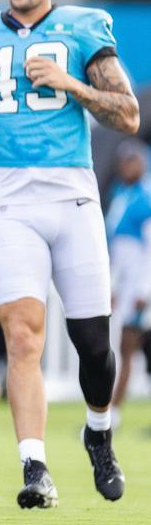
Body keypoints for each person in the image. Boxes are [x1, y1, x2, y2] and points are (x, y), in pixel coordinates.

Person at [0, 0, 136, 508]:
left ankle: (98, 431)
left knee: (93, 343)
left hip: (72, 197)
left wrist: (71, 84)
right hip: (6, 199)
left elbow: (128, 114)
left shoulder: (84, 27)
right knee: (24, 336)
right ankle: (35, 468)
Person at [107, 141, 151, 417]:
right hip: (125, 281)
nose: (126, 166)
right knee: (134, 347)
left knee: (127, 345)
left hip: (139, 284)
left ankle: (114, 413)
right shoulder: (120, 193)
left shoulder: (145, 197)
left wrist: (144, 290)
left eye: (131, 161)